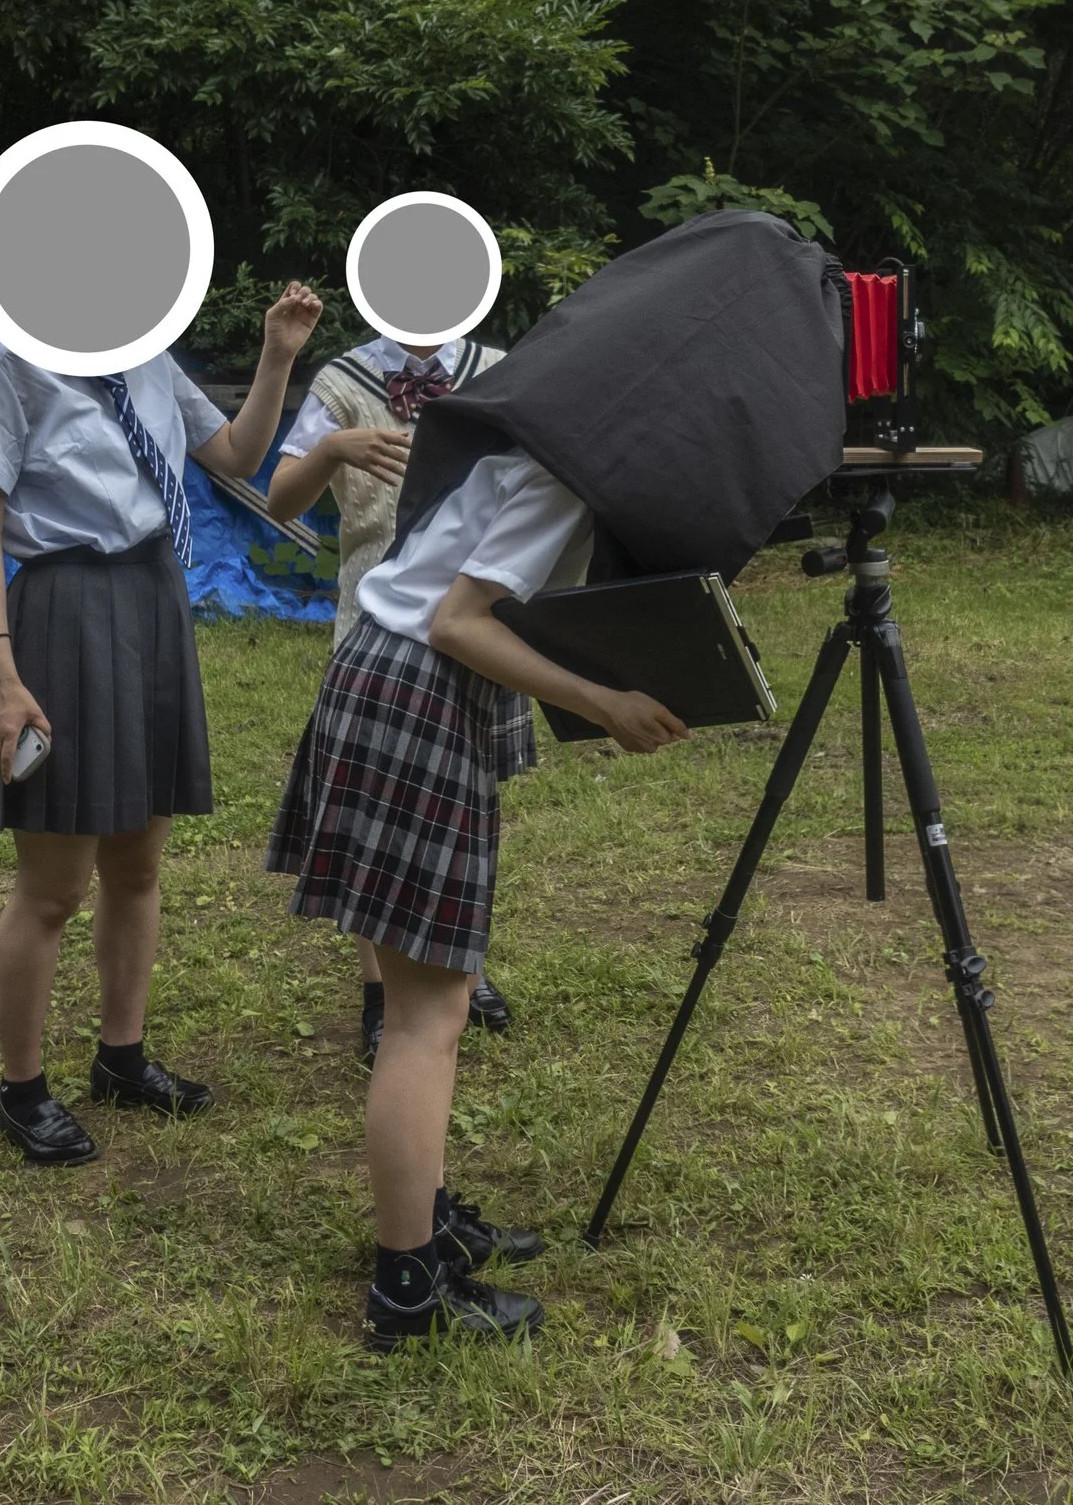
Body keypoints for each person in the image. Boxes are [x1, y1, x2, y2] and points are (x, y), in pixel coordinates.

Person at [267, 209, 851, 1349]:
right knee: (425, 1015)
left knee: (424, 1002)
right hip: (415, 690)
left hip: (385, 681)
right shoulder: (562, 478)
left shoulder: (537, 443)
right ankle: (406, 1289)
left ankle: (426, 1218)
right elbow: (458, 621)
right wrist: (603, 702)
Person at [0, 281, 324, 1165]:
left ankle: (121, 1057)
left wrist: (276, 357)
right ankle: (23, 1090)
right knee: (53, 886)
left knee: (138, 862)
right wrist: (0, 674)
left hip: (154, 601)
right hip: (64, 608)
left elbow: (234, 454)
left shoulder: (144, 356)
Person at [265, 332, 518, 1064]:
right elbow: (281, 498)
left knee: (467, 802)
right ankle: (382, 991)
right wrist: (331, 450)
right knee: (377, 815)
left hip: (479, 625)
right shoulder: (344, 380)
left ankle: (461, 966)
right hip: (378, 624)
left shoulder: (496, 370)